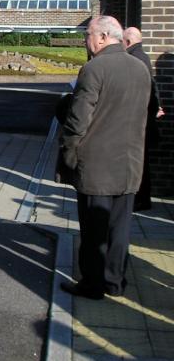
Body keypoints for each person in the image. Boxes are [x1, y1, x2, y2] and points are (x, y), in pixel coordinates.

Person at [59, 16, 151, 300]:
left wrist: (68, 151)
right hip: (130, 164)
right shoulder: (140, 68)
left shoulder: (94, 68)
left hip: (97, 165)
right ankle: (115, 281)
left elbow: (78, 119)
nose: (87, 40)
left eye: (88, 35)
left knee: (93, 229)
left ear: (101, 37)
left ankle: (92, 284)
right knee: (120, 228)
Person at [123, 27, 166, 211]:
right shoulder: (142, 56)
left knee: (138, 162)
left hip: (139, 121)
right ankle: (141, 199)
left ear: (127, 42)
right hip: (145, 118)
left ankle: (140, 200)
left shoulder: (134, 59)